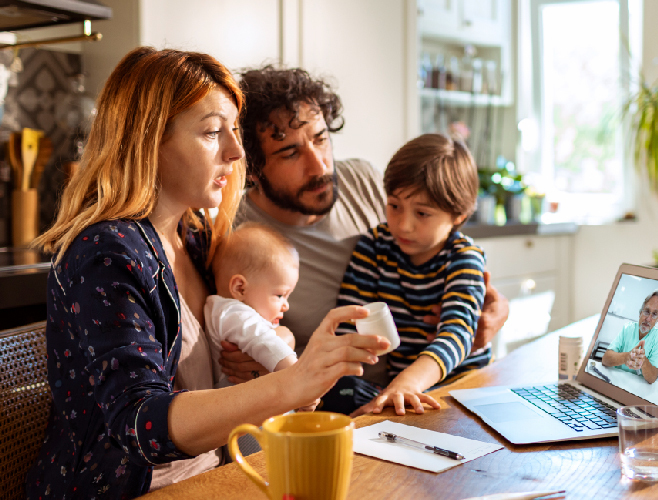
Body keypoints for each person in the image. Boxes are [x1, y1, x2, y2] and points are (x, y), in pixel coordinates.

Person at [26, 47, 387, 499]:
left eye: (233, 131)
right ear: (148, 141)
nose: (236, 152)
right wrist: (290, 383)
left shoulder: (197, 239)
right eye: (214, 131)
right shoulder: (106, 254)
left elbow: (247, 334)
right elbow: (140, 423)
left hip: (214, 478)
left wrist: (274, 351)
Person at [231, 66, 510, 415]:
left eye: (320, 138)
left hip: (443, 385)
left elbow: (460, 302)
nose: (318, 166)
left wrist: (491, 312)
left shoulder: (362, 178)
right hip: (346, 392)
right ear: (252, 168)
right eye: (290, 153)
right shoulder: (236, 235)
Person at [328, 133, 491, 416]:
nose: (403, 225)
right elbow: (347, 325)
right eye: (394, 206)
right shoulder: (374, 246)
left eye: (422, 214)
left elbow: (458, 333)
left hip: (461, 391)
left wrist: (407, 383)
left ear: (458, 215)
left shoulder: (464, 257)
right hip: (402, 391)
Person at [204, 223, 314, 412]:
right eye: (280, 295)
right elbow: (266, 343)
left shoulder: (230, 311)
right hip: (243, 421)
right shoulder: (231, 313)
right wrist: (302, 382)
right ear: (240, 288)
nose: (286, 305)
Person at [602, 291, 658, 384]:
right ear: (640, 312)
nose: (648, 319)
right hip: (615, 380)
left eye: (654, 314)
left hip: (636, 386)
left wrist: (643, 361)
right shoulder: (627, 328)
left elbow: (652, 378)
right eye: (647, 311)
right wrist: (626, 357)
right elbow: (605, 359)